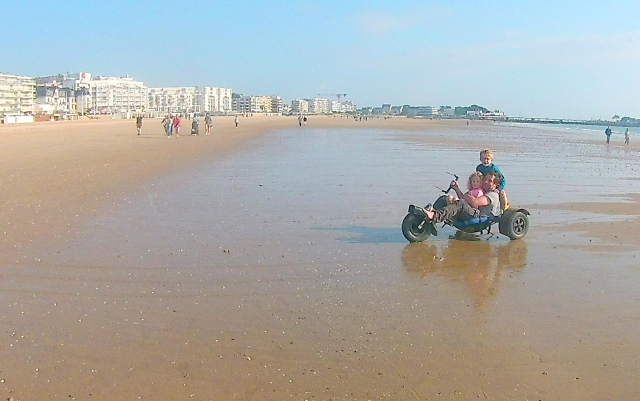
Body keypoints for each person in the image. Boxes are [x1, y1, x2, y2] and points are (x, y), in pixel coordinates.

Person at [423, 170, 502, 229]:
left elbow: (474, 203)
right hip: (470, 211)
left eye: (490, 181)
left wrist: (466, 196)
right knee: (444, 198)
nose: (485, 182)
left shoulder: (493, 194)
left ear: (495, 184)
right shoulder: (479, 190)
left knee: (460, 203)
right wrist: (456, 188)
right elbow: (465, 199)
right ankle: (429, 217)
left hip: (478, 217)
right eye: (485, 179)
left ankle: (434, 216)